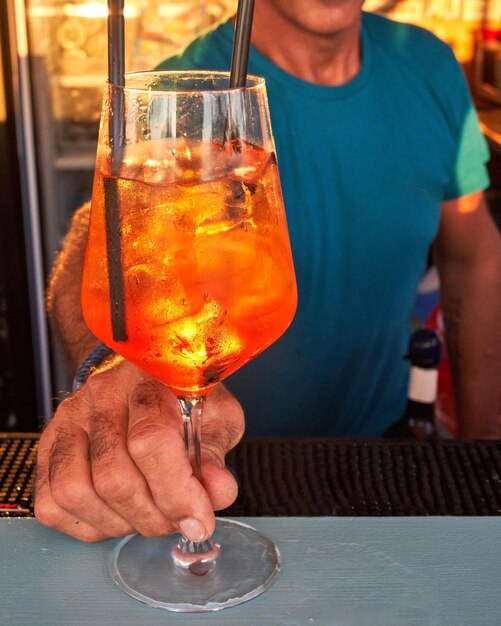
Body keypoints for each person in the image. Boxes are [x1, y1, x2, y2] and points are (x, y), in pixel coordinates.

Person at [35, 0, 501, 542]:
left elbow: (475, 257)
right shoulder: (183, 92)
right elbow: (101, 242)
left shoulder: (427, 65)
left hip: (388, 448)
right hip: (219, 470)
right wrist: (112, 366)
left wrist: (483, 450)